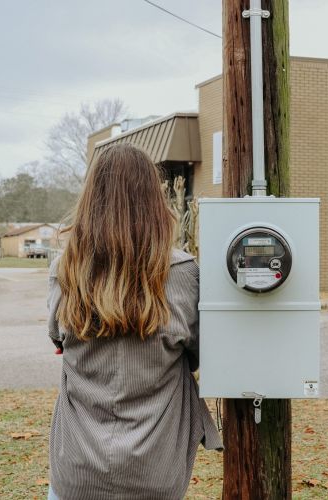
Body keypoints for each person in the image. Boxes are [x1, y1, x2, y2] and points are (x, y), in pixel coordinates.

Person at [46, 144, 222, 499]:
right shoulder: (184, 273)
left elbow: (56, 338)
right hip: (156, 470)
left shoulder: (66, 269)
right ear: (154, 202)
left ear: (90, 199)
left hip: (77, 471)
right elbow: (201, 352)